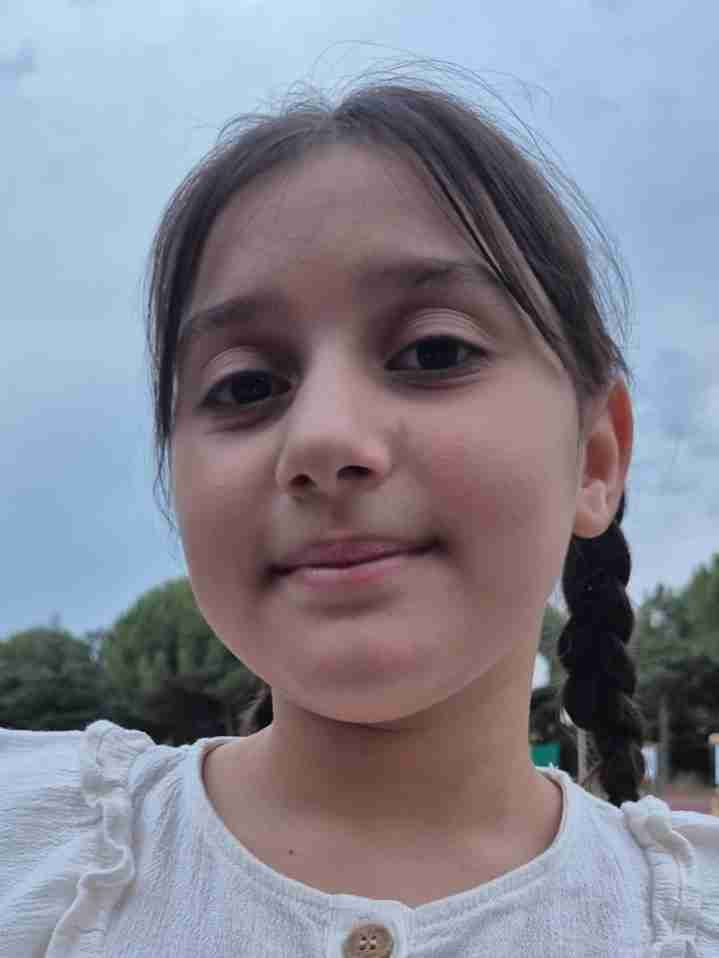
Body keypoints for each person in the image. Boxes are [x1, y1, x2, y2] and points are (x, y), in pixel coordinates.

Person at [2, 64, 717, 957]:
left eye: (434, 352)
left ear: (597, 459)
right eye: (245, 385)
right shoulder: (30, 844)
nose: (321, 439)